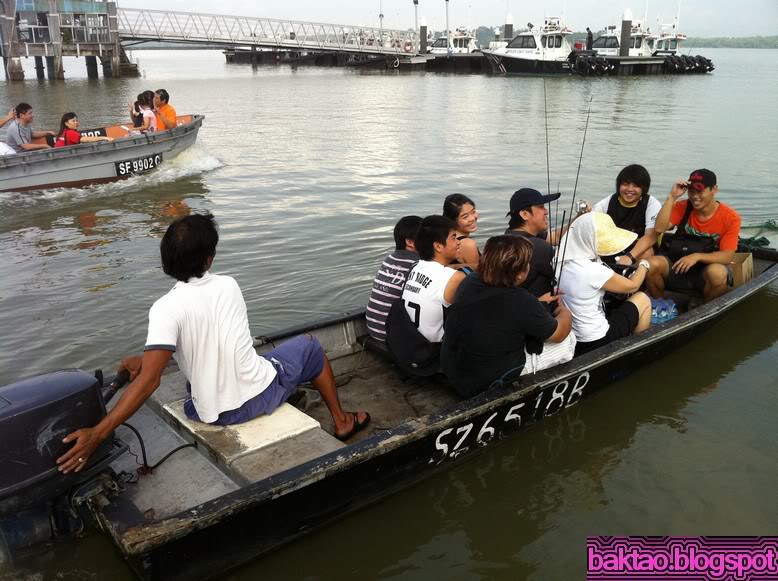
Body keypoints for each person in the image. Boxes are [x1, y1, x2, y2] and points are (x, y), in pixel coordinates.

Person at [56, 213, 370, 474]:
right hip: (254, 398)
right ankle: (343, 423)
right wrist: (98, 434)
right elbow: (154, 375)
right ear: (209, 258)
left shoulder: (165, 308)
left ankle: (290, 395)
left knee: (194, 368)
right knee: (311, 347)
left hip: (207, 412)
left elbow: (154, 374)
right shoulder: (228, 286)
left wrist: (142, 365)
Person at [441, 235, 575, 397]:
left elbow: (496, 311)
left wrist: (540, 302)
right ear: (519, 275)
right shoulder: (521, 300)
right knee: (569, 340)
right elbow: (559, 334)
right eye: (527, 264)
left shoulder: (470, 280)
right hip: (483, 383)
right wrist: (564, 311)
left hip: (455, 370)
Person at [556, 212, 652, 357]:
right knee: (643, 299)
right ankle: (640, 350)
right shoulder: (593, 271)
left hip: (572, 336)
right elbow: (633, 285)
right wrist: (644, 264)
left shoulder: (559, 258)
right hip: (596, 339)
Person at [646, 169, 741, 303]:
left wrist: (697, 256)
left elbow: (727, 256)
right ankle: (661, 305)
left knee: (718, 273)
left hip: (705, 271)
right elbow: (660, 228)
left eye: (700, 191)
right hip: (677, 265)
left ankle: (705, 309)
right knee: (650, 264)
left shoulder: (731, 218)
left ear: (714, 189)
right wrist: (672, 197)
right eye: (691, 191)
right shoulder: (682, 207)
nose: (695, 196)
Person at [505, 187, 589, 301]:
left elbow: (557, 237)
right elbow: (571, 273)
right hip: (537, 308)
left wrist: (579, 217)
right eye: (541, 207)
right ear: (525, 214)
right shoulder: (537, 247)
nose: (546, 211)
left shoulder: (510, 235)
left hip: (514, 301)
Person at [401, 215, 465, 344]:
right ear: (438, 246)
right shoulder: (455, 277)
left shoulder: (414, 267)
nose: (458, 242)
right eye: (453, 237)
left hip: (411, 343)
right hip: (434, 350)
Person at [366, 215, 422, 341]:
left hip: (374, 328)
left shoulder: (389, 259)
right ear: (410, 242)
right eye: (425, 237)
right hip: (390, 334)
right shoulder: (415, 264)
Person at [592, 164, 661, 265]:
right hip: (612, 247)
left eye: (636, 186)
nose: (630, 189)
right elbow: (590, 222)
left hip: (637, 250)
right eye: (625, 184)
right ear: (619, 185)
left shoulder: (651, 203)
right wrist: (583, 213)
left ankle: (631, 277)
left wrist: (630, 257)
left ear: (644, 188)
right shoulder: (609, 201)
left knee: (647, 251)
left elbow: (650, 236)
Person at [443, 193, 480, 271]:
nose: (472, 218)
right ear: (452, 220)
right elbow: (479, 276)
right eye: (465, 217)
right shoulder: (468, 244)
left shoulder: (446, 237)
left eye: (473, 212)